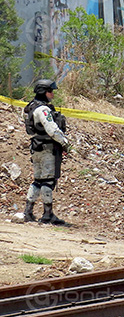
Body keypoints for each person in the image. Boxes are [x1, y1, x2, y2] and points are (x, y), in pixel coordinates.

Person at [23, 79, 70, 225]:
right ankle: (47, 214)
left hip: (36, 147)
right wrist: (65, 142)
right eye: (50, 91)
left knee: (37, 180)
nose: (52, 95)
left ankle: (28, 212)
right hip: (48, 148)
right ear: (44, 92)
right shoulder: (43, 110)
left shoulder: (30, 107)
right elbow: (52, 129)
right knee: (48, 181)